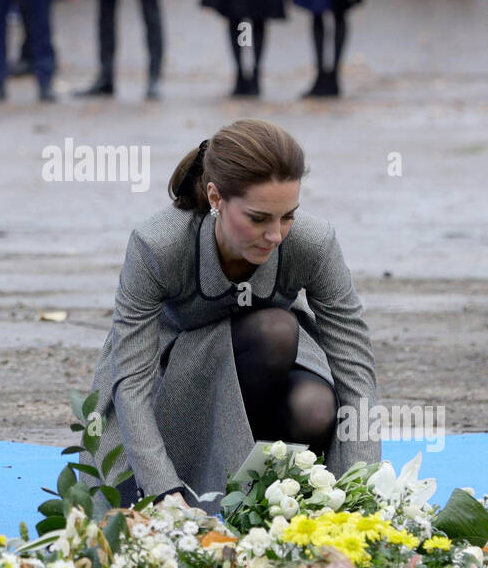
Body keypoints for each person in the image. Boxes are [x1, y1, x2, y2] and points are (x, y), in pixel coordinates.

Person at [84, 119, 378, 515]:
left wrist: (358, 492)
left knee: (313, 403)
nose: (275, 235)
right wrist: (163, 491)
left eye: (288, 215)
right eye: (258, 218)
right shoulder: (157, 245)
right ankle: (204, 488)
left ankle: (272, 499)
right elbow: (131, 380)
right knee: (274, 329)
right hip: (170, 382)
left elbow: (354, 367)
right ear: (215, 197)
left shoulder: (314, 243)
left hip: (266, 371)